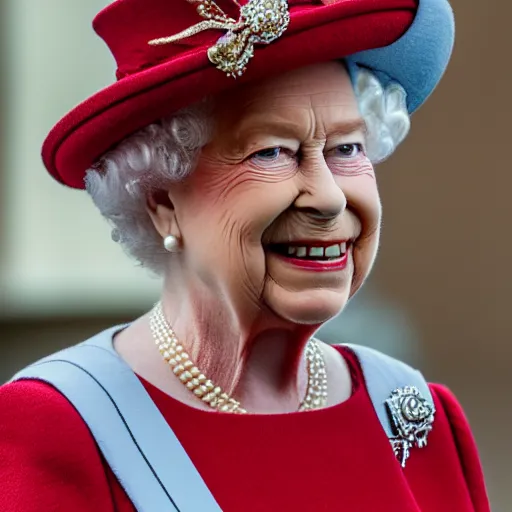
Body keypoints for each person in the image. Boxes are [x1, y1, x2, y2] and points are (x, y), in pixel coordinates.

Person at [0, 0, 491, 510]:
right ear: (163, 200)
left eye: (347, 148)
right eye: (272, 151)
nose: (329, 198)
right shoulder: (58, 427)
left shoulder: (415, 415)